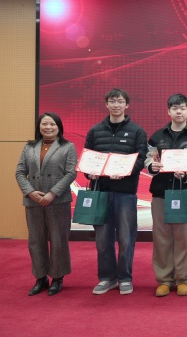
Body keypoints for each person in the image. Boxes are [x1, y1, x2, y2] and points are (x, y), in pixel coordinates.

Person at [85, 88, 148, 295]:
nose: (116, 105)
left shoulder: (137, 131)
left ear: (126, 105)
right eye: (112, 101)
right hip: (100, 192)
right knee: (103, 240)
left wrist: (125, 172)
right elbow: (88, 158)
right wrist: (90, 173)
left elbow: (141, 159)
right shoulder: (95, 131)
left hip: (125, 192)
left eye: (120, 101)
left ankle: (125, 278)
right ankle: (107, 278)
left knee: (126, 239)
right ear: (106, 104)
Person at [145, 94, 187, 297]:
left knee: (183, 238)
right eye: (174, 108)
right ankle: (164, 279)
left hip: (185, 194)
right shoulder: (157, 137)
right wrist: (152, 166)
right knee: (161, 238)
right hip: (161, 194)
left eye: (182, 108)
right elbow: (149, 158)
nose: (178, 111)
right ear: (168, 111)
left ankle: (182, 278)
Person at [16, 112, 77, 296]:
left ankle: (57, 278)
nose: (48, 127)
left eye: (52, 124)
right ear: (39, 127)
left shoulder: (68, 147)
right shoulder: (29, 147)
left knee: (58, 241)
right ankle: (40, 277)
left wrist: (52, 193)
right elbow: (20, 172)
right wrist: (30, 192)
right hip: (33, 201)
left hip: (58, 201)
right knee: (36, 240)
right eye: (44, 124)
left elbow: (71, 173)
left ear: (59, 127)